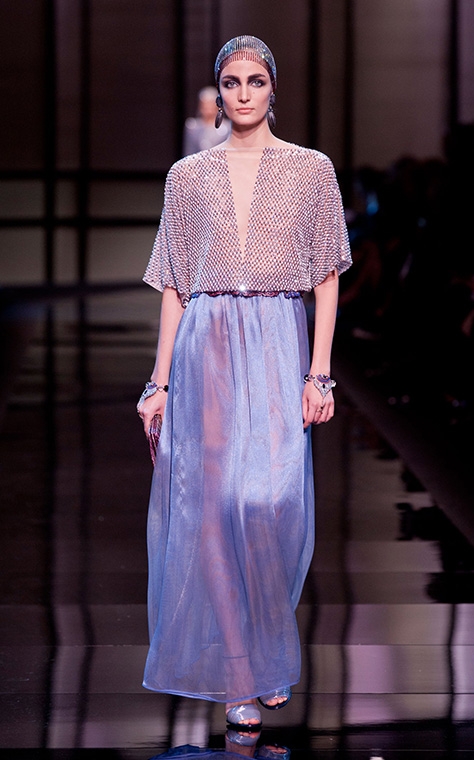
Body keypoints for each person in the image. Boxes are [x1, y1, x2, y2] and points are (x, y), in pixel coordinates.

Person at [137, 35, 351, 730]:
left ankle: (265, 645)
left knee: (271, 502)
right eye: (232, 82)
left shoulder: (311, 169)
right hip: (207, 345)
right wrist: (158, 384)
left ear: (272, 88)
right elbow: (175, 284)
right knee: (213, 506)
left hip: (278, 339)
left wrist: (320, 373)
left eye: (255, 81)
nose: (243, 94)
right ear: (219, 92)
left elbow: (326, 277)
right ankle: (240, 672)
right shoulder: (187, 176)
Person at [183, 86, 231, 155]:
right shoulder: (192, 127)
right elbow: (189, 151)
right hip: (197, 160)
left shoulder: (227, 127)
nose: (207, 109)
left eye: (210, 105)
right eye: (205, 106)